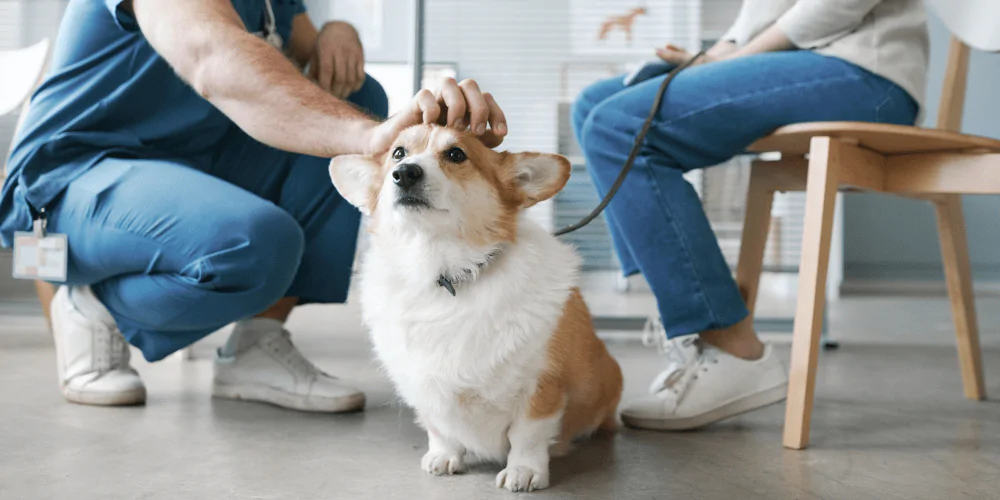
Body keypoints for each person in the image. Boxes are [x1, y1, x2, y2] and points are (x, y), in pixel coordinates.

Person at [0, 0, 507, 410]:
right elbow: (212, 56)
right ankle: (91, 300)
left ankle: (256, 343)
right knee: (256, 244)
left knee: (359, 93)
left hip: (192, 164)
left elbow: (310, 50)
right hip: (74, 172)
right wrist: (370, 136)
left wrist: (340, 31)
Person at [573, 0, 928, 430]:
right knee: (593, 103)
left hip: (866, 73)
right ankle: (688, 318)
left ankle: (730, 345)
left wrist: (738, 58)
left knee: (617, 126)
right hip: (808, 60)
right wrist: (716, 55)